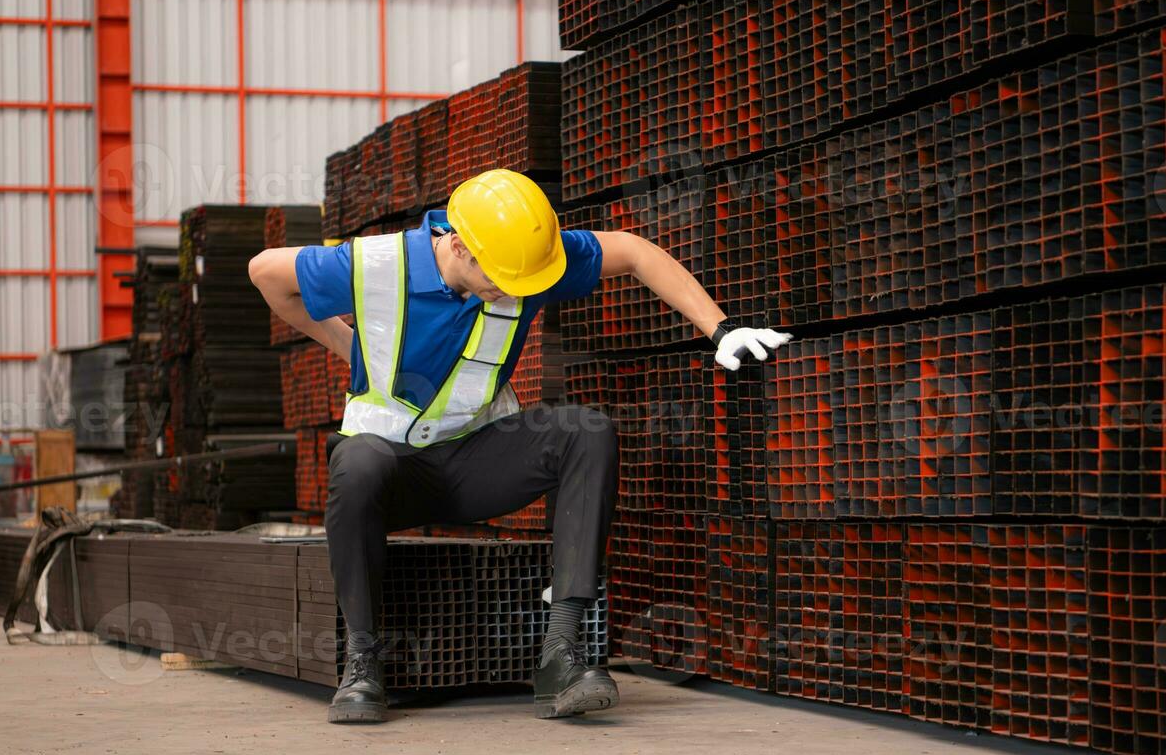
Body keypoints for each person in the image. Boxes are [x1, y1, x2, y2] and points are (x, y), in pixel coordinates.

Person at [249, 170, 792, 724]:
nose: (515, 291)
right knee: (357, 459)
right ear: (459, 247)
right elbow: (265, 272)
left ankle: (562, 653)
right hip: (391, 472)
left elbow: (632, 251)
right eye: (503, 279)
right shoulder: (374, 265)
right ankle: (362, 663)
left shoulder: (528, 262)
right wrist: (344, 342)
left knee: (588, 430)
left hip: (476, 461)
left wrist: (720, 329)